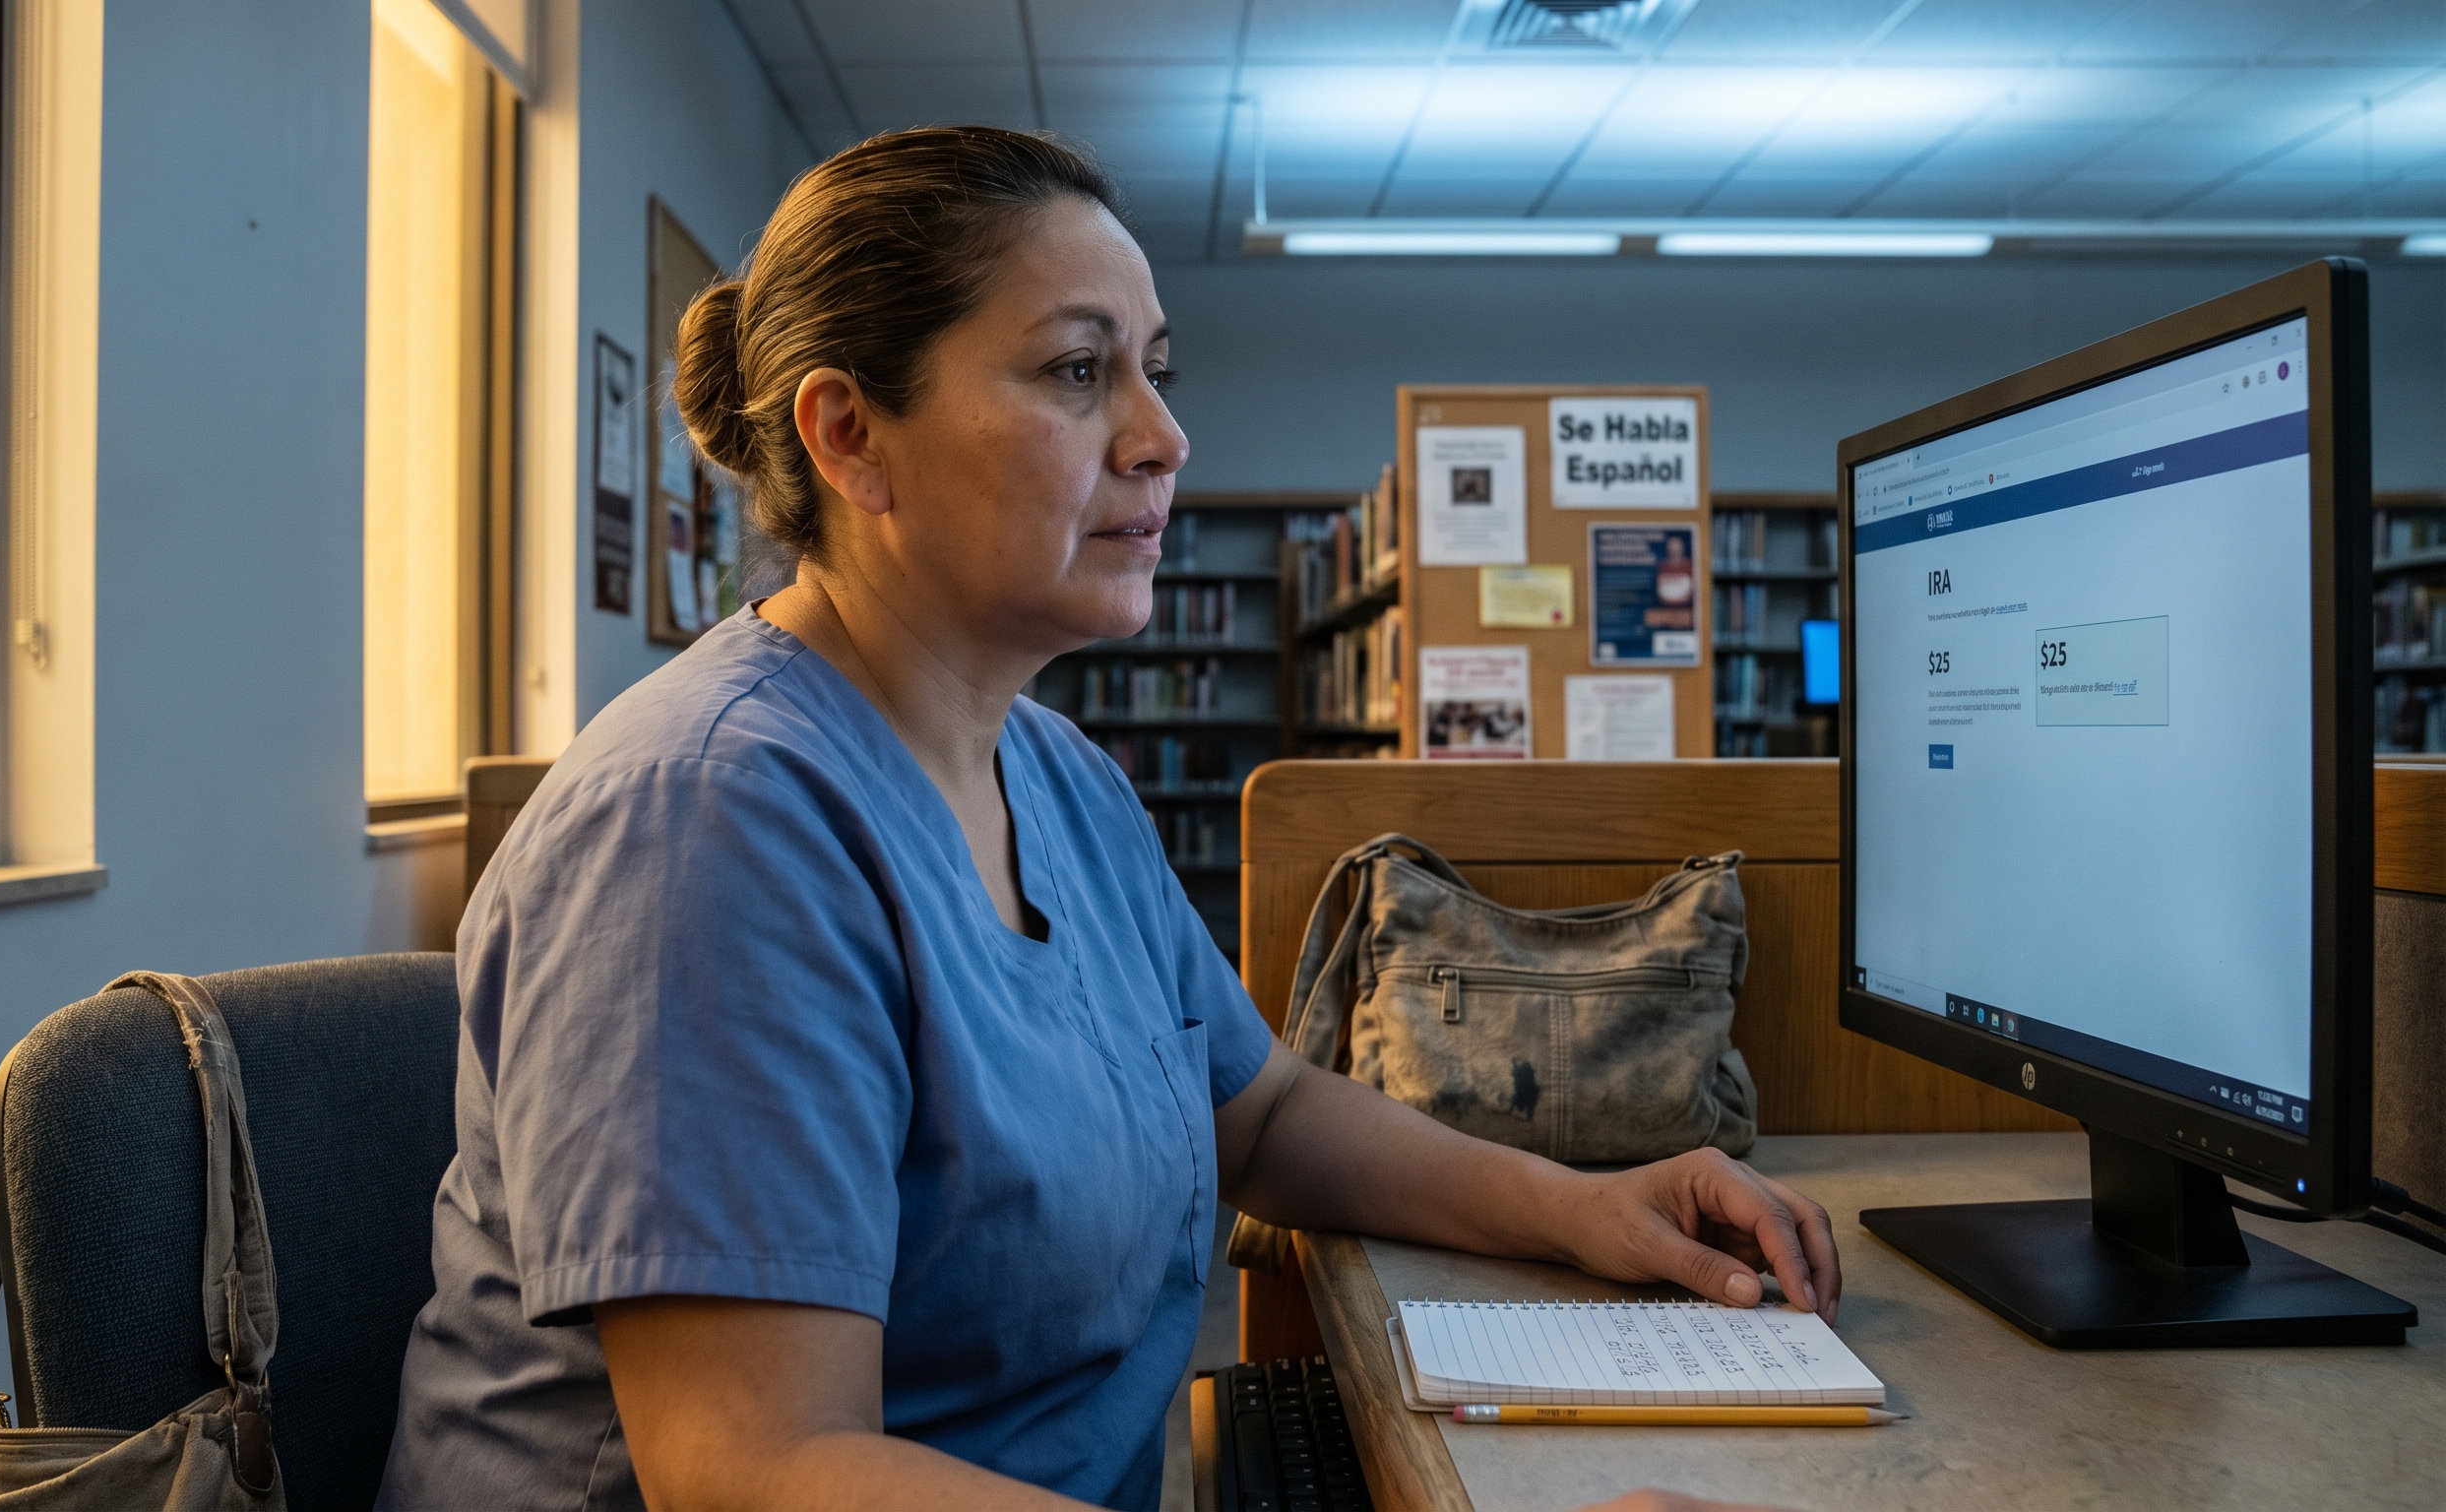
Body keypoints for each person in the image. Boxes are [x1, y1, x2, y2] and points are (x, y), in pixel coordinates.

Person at [377, 127, 1837, 1512]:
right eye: (1078, 371)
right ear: (849, 436)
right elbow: (757, 1471)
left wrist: (1582, 1208)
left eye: (1153, 368)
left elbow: (1258, 1109)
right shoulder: (709, 826)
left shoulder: (1060, 774)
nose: (1164, 437)